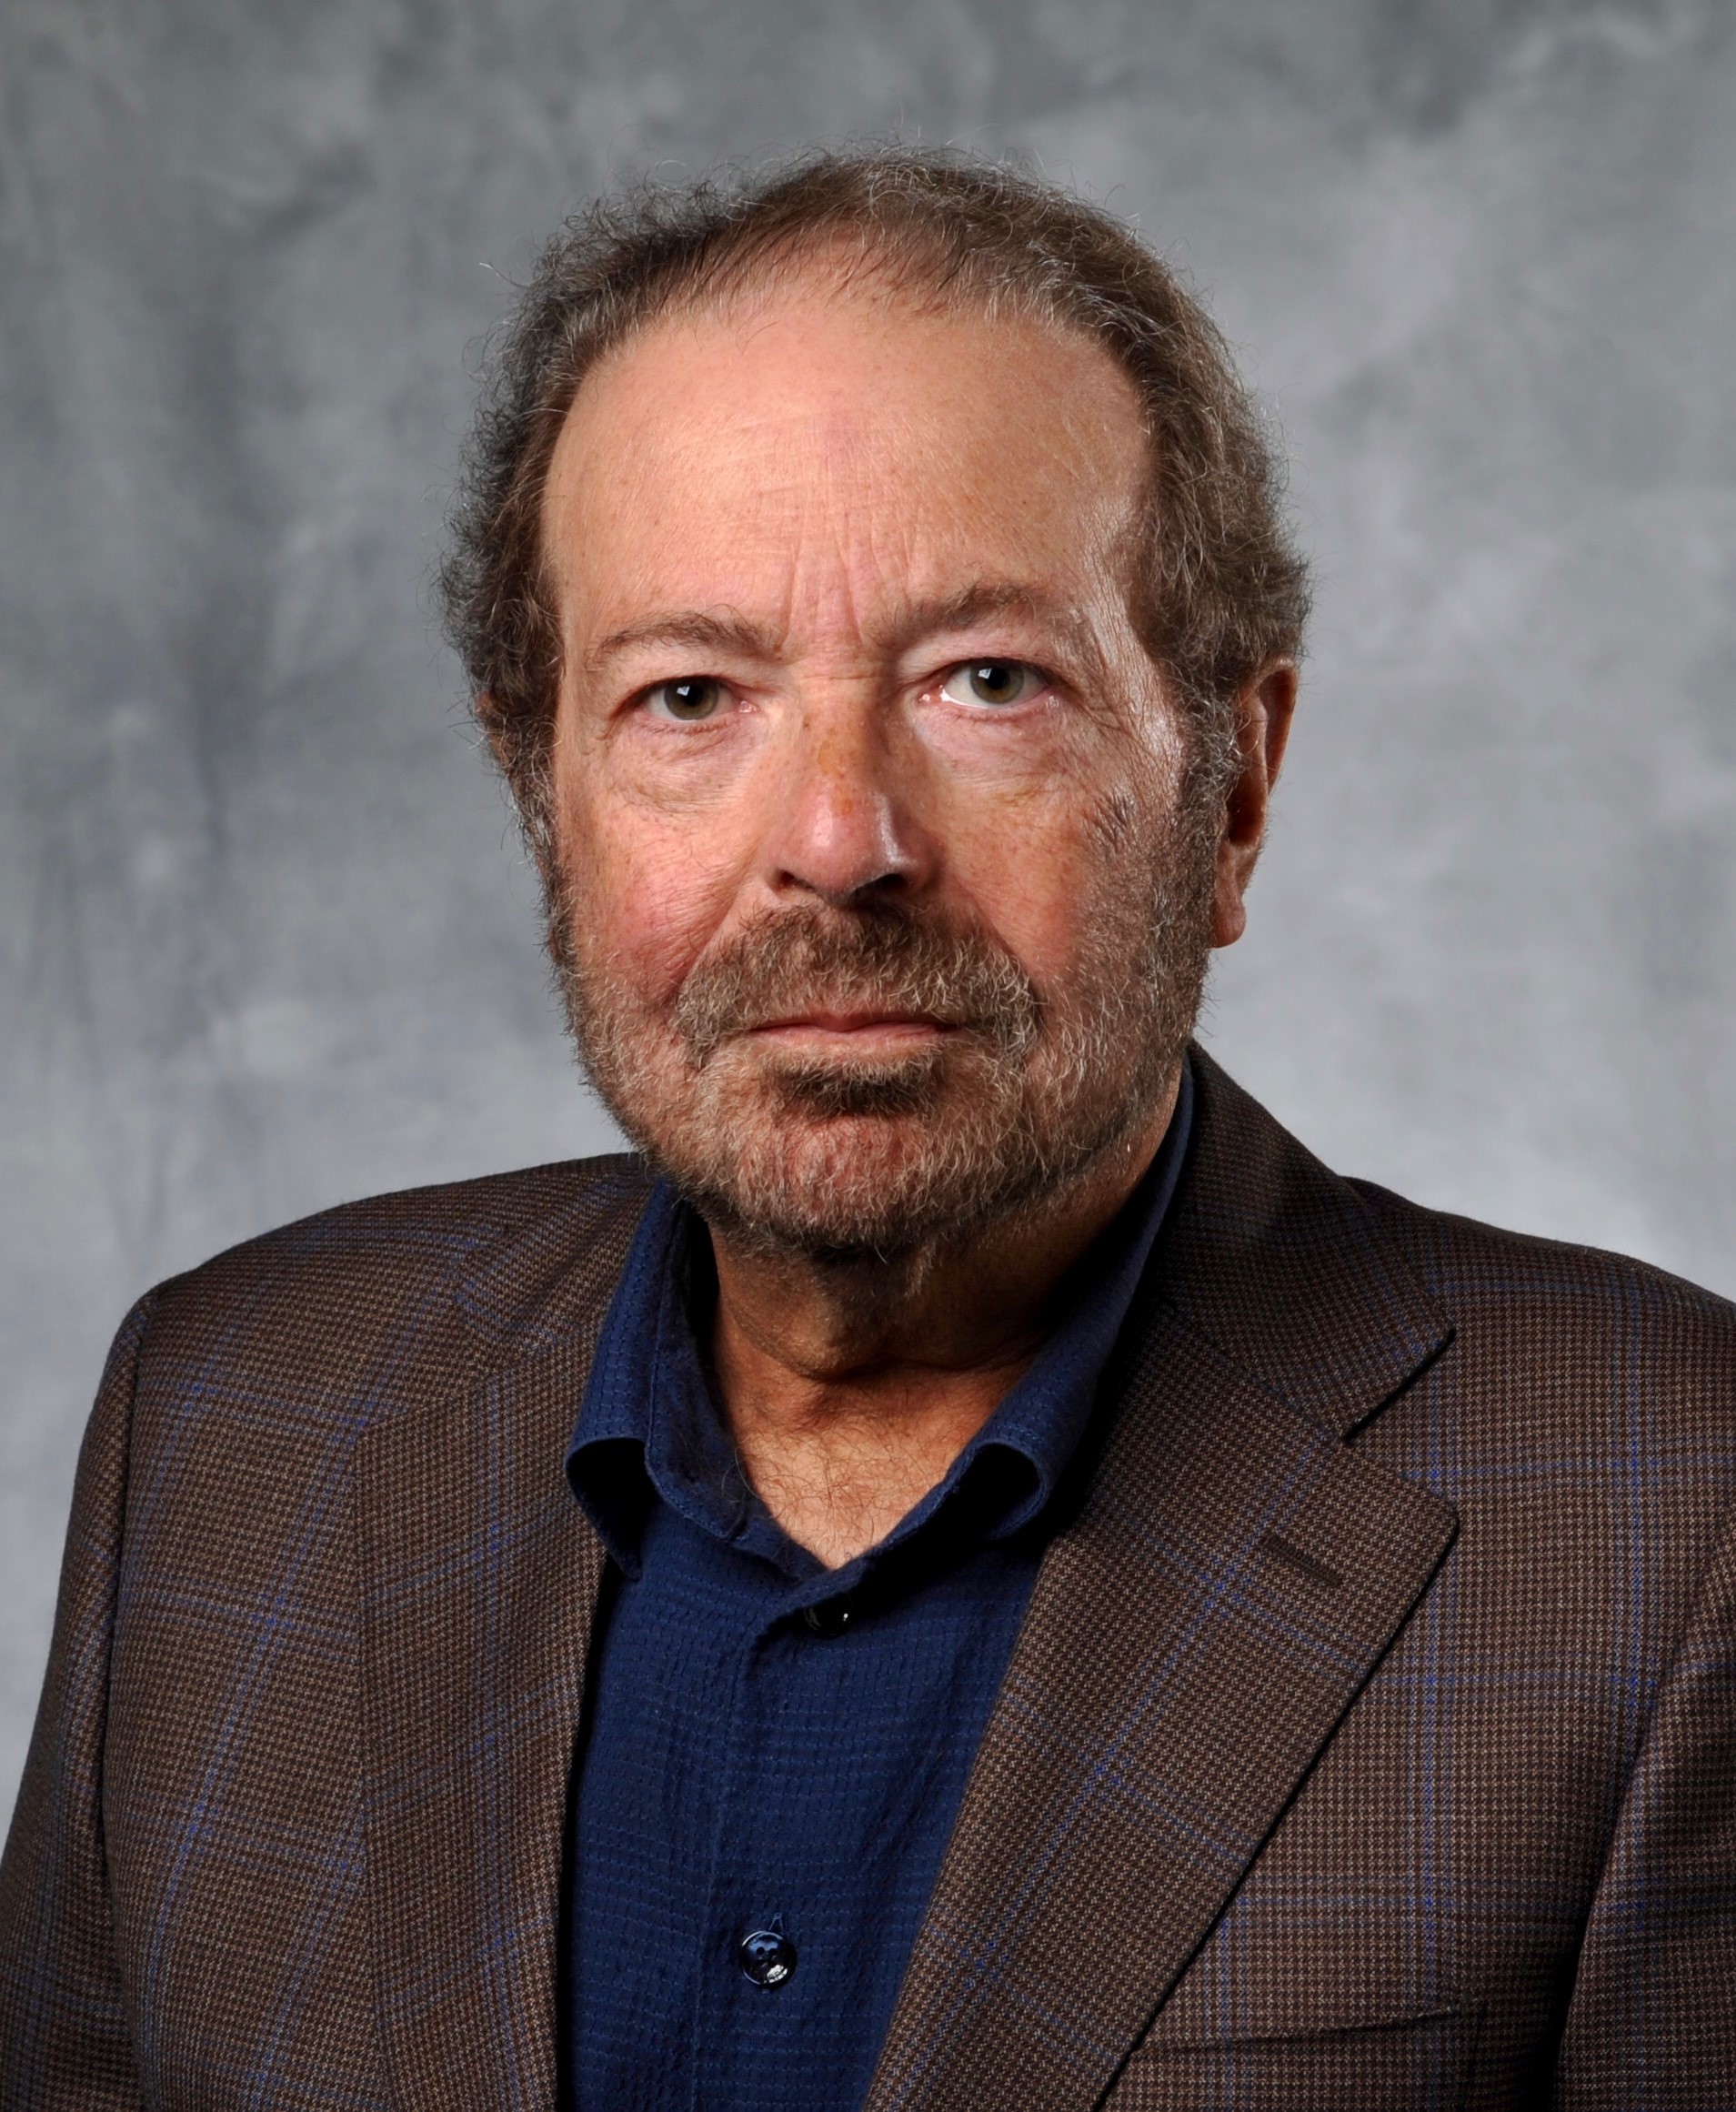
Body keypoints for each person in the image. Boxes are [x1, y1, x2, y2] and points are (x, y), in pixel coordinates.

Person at [2, 148, 1731, 2112]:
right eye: (689, 696)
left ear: (1231, 793)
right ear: (540, 794)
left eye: (987, 681)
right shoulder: (225, 1425)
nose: (838, 843)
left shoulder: (1668, 1520)